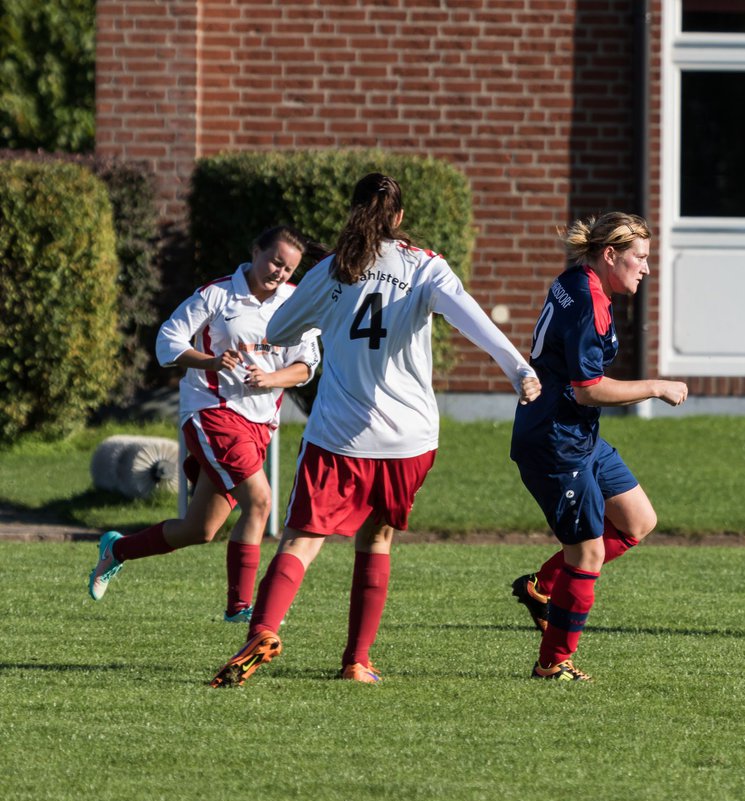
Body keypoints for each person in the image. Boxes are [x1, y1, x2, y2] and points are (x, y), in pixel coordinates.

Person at [209, 172, 541, 687]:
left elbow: (277, 331)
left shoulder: (333, 270)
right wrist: (520, 370)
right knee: (379, 537)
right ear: (400, 218)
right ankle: (357, 662)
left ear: (353, 212)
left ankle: (264, 629)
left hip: (340, 435)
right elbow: (476, 322)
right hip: (410, 439)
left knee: (301, 539)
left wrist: (324, 304)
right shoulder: (425, 266)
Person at [88, 225, 321, 622]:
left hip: (259, 424)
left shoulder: (295, 302)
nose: (280, 273)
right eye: (275, 261)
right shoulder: (217, 295)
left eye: (289, 269)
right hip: (212, 412)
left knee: (201, 529)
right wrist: (210, 362)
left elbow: (305, 366)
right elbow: (168, 342)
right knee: (260, 501)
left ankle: (117, 549)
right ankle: (240, 607)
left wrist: (271, 378)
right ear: (255, 251)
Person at [509, 212, 687, 681]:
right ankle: (553, 662)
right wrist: (654, 386)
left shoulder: (577, 279)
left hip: (577, 433)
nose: (646, 269)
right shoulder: (590, 301)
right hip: (556, 441)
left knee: (638, 520)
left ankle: (542, 587)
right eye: (640, 258)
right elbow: (588, 388)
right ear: (610, 255)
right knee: (586, 555)